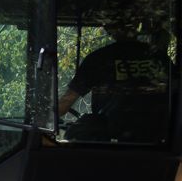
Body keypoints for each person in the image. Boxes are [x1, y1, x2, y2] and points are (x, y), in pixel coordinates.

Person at [58, 12, 170, 142]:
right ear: (136, 24)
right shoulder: (159, 58)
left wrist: (45, 120)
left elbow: (67, 101)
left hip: (112, 145)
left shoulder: (99, 59)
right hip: (156, 142)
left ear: (108, 28)